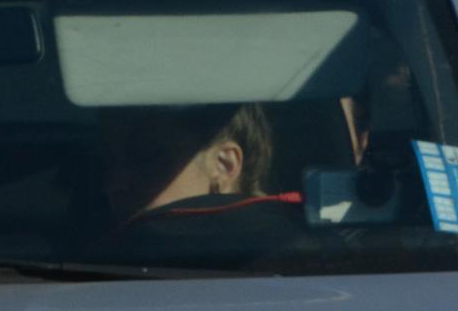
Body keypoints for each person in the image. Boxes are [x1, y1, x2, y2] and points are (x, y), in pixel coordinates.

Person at [90, 103, 302, 265]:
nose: (115, 184)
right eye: (107, 165)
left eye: (147, 157)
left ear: (224, 165)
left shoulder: (294, 263)